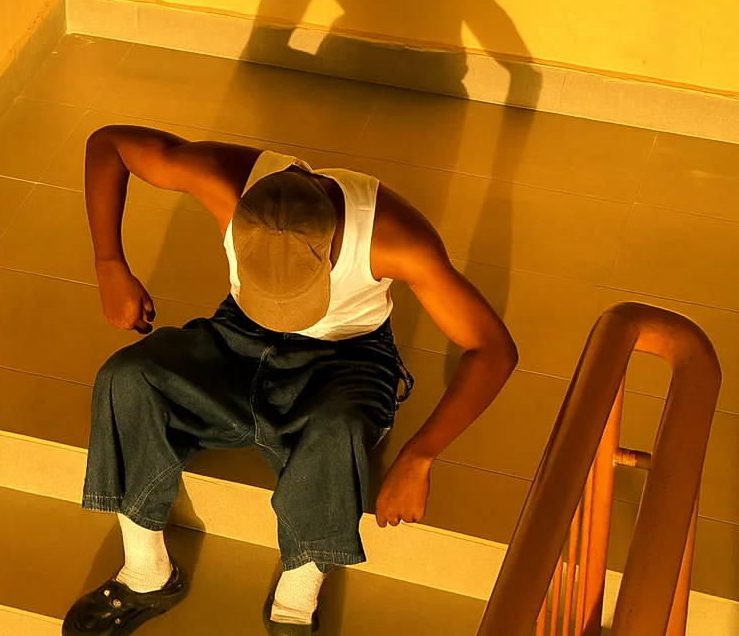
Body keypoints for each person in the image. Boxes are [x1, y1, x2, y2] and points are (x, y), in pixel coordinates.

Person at [62, 127, 519, 636]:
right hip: (237, 331)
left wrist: (419, 455)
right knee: (128, 377)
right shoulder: (221, 182)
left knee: (338, 428)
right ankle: (147, 572)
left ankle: (296, 598)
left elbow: (493, 348)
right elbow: (109, 145)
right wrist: (109, 262)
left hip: (346, 356)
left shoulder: (394, 239)